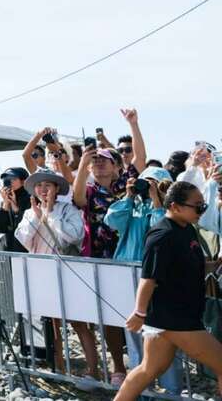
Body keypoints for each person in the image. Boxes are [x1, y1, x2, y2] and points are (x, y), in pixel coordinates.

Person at [113, 182, 222, 401]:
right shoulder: (162, 235)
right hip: (175, 318)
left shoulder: (187, 228)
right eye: (198, 206)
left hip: (174, 316)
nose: (202, 211)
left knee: (149, 369)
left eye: (204, 206)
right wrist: (139, 313)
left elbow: (191, 267)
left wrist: (216, 264)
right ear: (175, 206)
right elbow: (149, 278)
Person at [15, 168, 101, 379]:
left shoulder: (68, 210)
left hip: (68, 273)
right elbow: (23, 239)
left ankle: (94, 370)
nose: (43, 190)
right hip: (42, 274)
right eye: (39, 186)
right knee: (51, 323)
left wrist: (51, 213)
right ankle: (59, 367)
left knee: (79, 322)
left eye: (48, 185)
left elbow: (74, 236)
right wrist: (38, 218)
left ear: (56, 188)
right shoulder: (29, 212)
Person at [104, 167, 183, 395]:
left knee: (164, 337)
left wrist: (156, 201)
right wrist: (129, 196)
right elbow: (112, 221)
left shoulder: (170, 210)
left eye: (152, 182)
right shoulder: (133, 206)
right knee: (135, 337)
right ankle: (142, 391)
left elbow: (163, 233)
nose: (146, 186)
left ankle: (171, 391)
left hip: (158, 281)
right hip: (127, 279)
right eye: (144, 182)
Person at [72, 147, 131, 383]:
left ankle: (146, 366)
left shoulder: (126, 185)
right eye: (94, 161)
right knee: (110, 316)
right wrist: (83, 161)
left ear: (117, 166)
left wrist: (133, 125)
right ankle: (118, 367)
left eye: (104, 160)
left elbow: (139, 157)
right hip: (102, 258)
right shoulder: (89, 190)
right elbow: (77, 198)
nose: (99, 164)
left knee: (140, 313)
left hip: (131, 254)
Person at [0, 168, 31, 253]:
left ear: (24, 181)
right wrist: (6, 204)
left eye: (13, 179)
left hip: (27, 252)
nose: (9, 182)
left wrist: (16, 209)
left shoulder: (31, 199)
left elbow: (28, 227)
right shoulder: (6, 201)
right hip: (11, 251)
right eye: (6, 179)